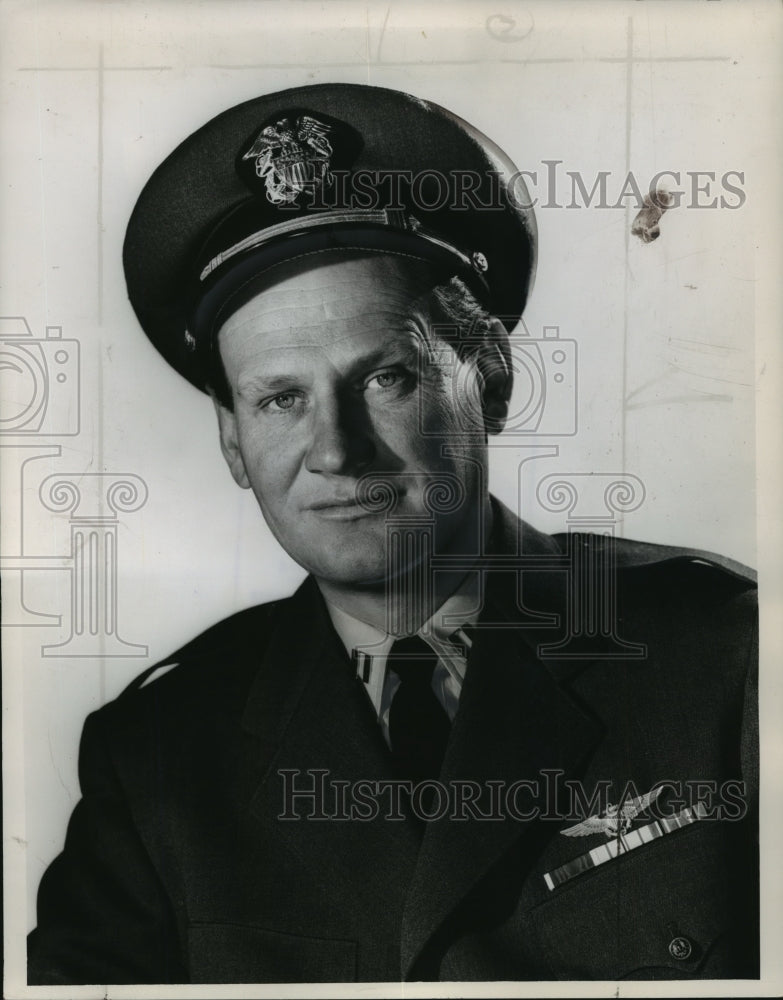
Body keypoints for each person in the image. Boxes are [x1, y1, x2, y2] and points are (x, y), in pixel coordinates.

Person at [27, 83, 758, 984]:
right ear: (232, 441)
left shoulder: (722, 656)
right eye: (280, 399)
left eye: (384, 378)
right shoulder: (158, 760)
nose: (335, 450)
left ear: (488, 379)